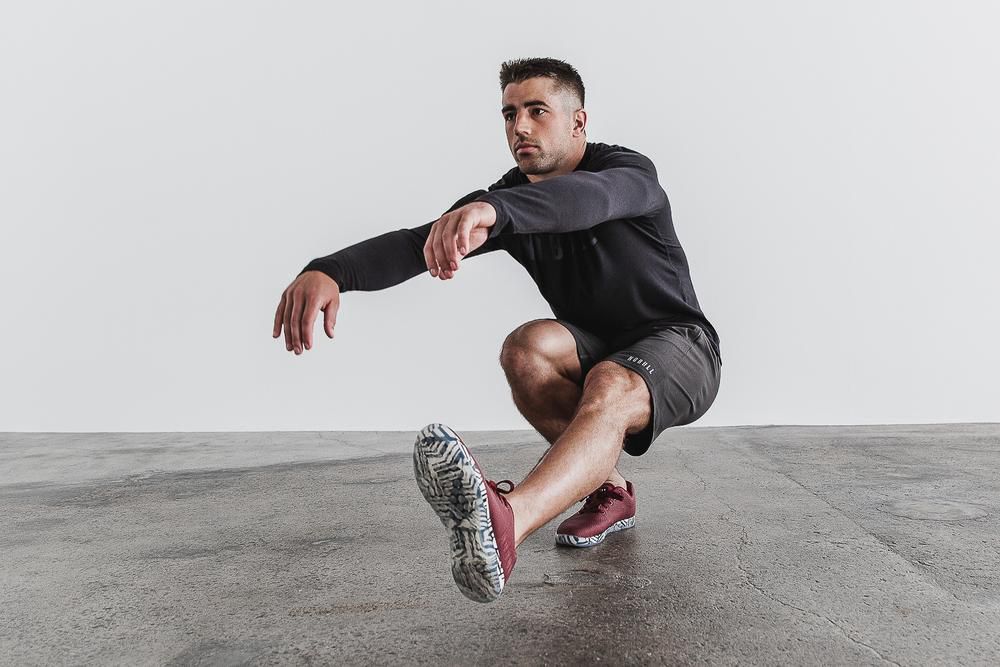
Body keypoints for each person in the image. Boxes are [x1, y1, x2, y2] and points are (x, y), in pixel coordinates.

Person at [272, 57, 722, 603]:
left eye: (537, 111)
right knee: (526, 348)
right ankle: (610, 490)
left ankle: (509, 522)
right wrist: (330, 271)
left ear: (578, 122)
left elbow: (587, 200)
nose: (520, 127)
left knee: (610, 380)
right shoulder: (508, 198)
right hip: (598, 346)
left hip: (681, 345)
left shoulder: (628, 174)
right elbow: (419, 242)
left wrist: (495, 210)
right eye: (509, 114)